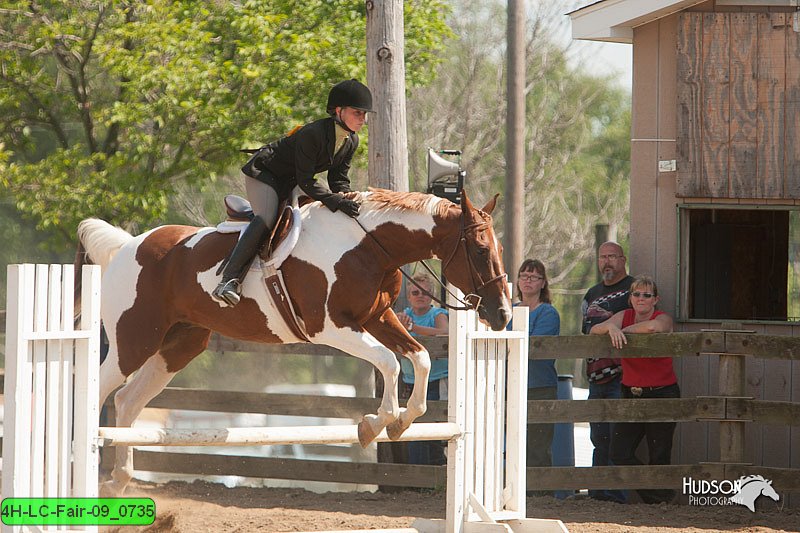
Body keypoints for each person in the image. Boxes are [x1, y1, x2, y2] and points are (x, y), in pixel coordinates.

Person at [213, 79, 373, 306]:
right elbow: (306, 181)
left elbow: (338, 180)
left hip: (291, 180)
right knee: (267, 217)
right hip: (266, 174)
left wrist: (349, 199)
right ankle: (229, 280)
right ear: (339, 111)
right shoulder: (313, 134)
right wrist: (336, 201)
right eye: (358, 113)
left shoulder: (351, 140)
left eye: (365, 114)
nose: (363, 120)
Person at [590, 275, 678, 504]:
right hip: (631, 392)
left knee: (659, 453)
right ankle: (657, 498)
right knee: (619, 451)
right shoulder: (623, 315)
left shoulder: (663, 317)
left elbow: (653, 328)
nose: (641, 299)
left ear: (655, 300)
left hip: (662, 392)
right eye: (636, 294)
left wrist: (622, 332)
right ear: (630, 298)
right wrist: (610, 327)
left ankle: (659, 501)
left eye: (646, 295)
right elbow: (594, 330)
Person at [581, 241, 633, 503]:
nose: (607, 262)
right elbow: (585, 332)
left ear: (623, 259)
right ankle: (597, 491)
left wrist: (611, 326)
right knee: (597, 435)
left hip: (622, 374)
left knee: (617, 435)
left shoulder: (633, 289)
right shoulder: (591, 293)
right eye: (603, 257)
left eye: (613, 256)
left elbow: (635, 319)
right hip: (595, 375)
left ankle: (617, 494)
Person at [511, 259, 559, 472]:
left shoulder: (548, 313)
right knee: (512, 443)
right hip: (509, 386)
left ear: (543, 283)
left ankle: (541, 494)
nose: (528, 280)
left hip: (539, 386)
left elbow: (534, 346)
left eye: (534, 277)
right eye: (524, 276)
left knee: (538, 445)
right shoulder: (507, 310)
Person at [396, 274, 449, 465]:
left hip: (435, 380)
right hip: (410, 381)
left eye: (425, 292)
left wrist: (413, 327)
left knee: (432, 429)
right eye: (415, 292)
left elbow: (445, 332)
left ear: (432, 296)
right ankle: (418, 478)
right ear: (409, 297)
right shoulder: (403, 315)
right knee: (413, 428)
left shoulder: (438, 314)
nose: (420, 296)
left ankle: (431, 476)